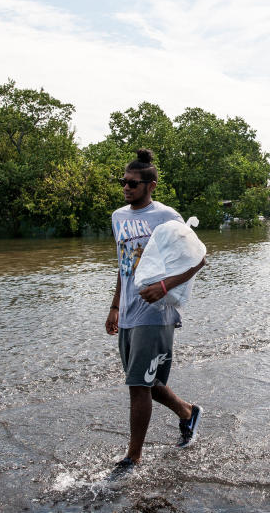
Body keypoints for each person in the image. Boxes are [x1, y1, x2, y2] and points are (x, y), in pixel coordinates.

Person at [105, 149, 206, 476]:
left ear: (151, 185)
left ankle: (133, 458)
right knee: (147, 382)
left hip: (156, 311)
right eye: (123, 182)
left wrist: (164, 288)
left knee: (138, 385)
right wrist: (115, 305)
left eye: (132, 183)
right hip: (129, 313)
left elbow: (197, 260)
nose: (125, 187)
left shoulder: (167, 217)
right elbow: (123, 266)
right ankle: (187, 412)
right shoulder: (118, 217)